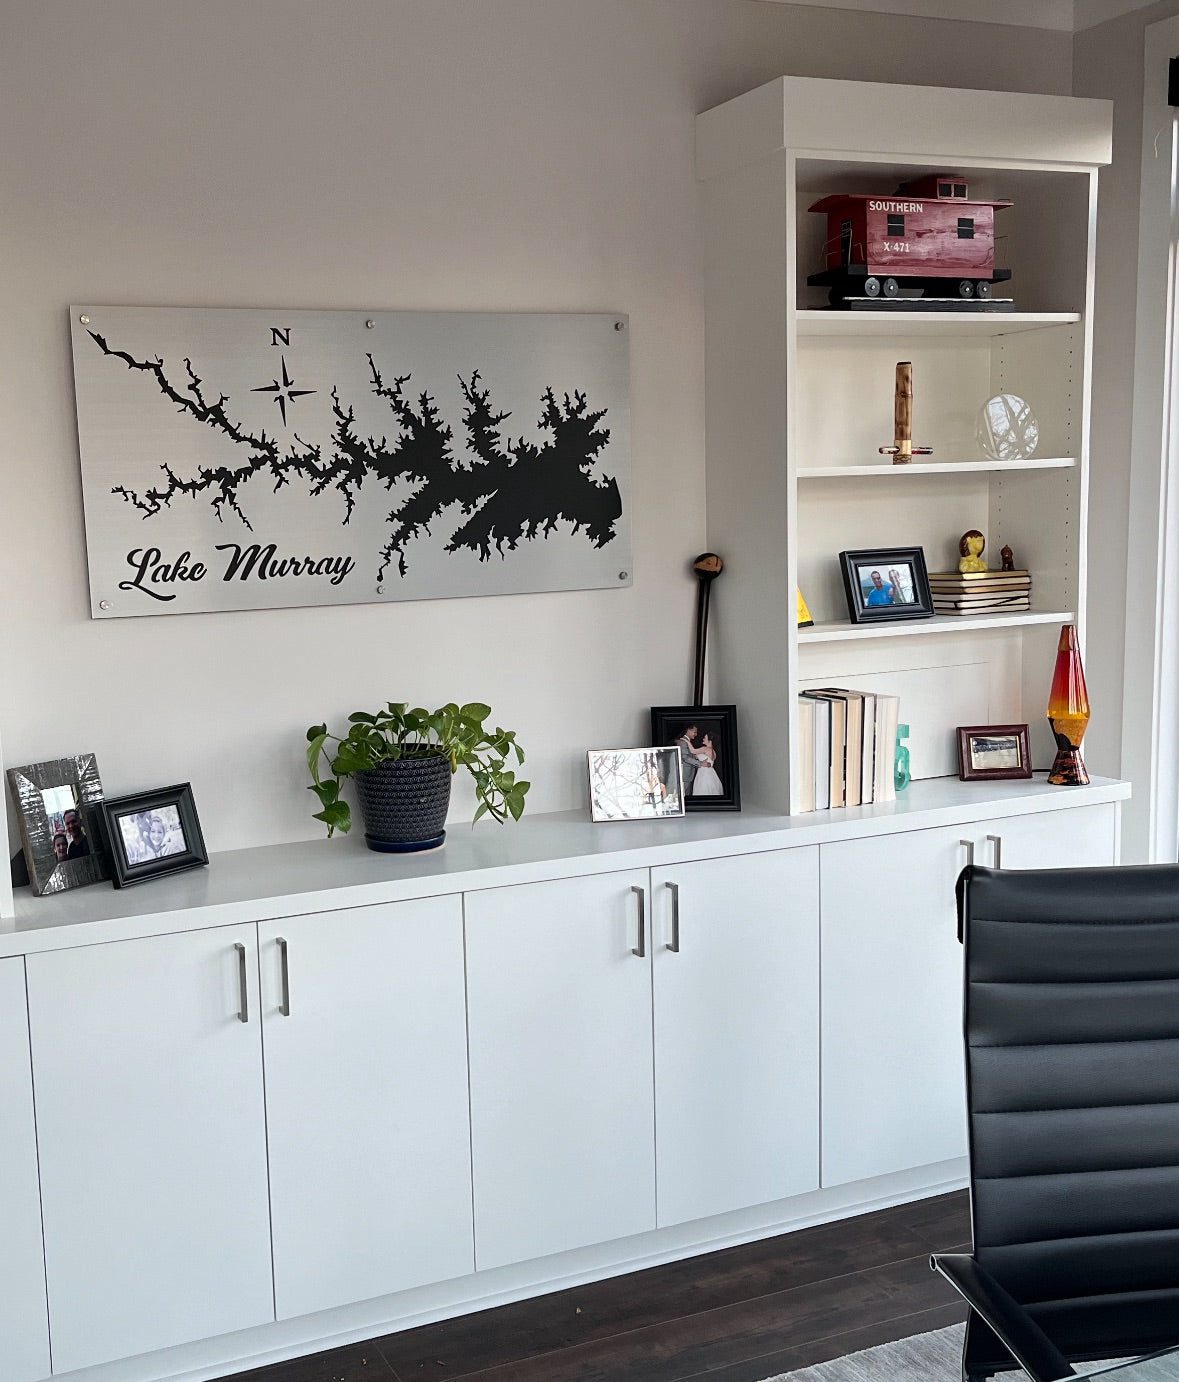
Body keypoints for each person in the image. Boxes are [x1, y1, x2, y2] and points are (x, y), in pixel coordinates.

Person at [673, 725, 700, 795]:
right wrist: (700, 763)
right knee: (683, 795)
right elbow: (685, 757)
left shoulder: (686, 741)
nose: (696, 734)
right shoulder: (682, 742)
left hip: (688, 775)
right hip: (684, 774)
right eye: (695, 732)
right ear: (688, 730)